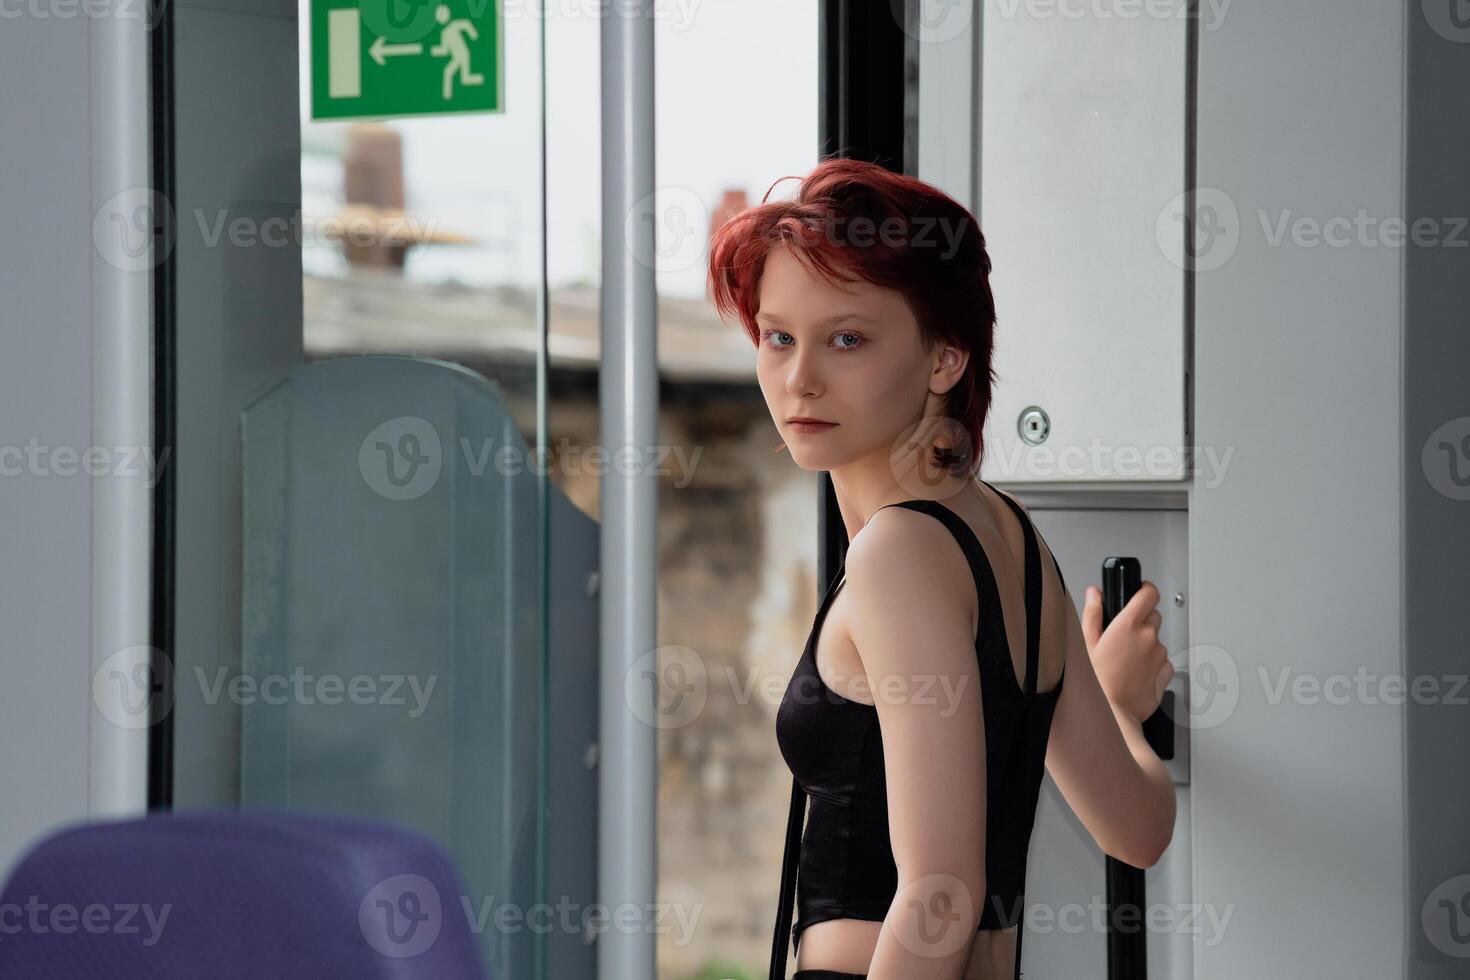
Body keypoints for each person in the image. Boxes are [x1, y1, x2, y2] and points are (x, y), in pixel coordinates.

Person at [707, 157, 1177, 980]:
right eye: (778, 336)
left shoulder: (898, 554)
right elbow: (1136, 827)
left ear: (944, 360)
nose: (797, 377)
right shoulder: (1011, 536)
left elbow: (941, 897)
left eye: (846, 338)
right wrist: (1118, 712)